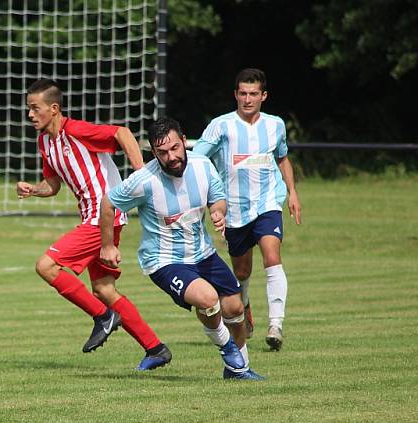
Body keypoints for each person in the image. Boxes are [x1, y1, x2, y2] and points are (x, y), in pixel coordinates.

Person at [16, 78, 172, 367]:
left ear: (53, 108)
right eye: (28, 109)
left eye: (35, 109)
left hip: (104, 217)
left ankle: (102, 316)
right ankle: (155, 348)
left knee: (46, 266)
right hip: (95, 219)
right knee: (104, 289)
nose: (30, 114)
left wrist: (140, 174)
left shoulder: (75, 130)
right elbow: (52, 184)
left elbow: (123, 134)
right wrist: (34, 190)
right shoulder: (45, 142)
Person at [99, 117, 264, 380]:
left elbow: (217, 198)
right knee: (208, 299)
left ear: (184, 141)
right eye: (162, 152)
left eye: (175, 148)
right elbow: (108, 204)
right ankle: (228, 350)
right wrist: (107, 246)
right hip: (164, 260)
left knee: (234, 308)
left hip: (203, 253)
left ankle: (238, 368)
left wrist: (217, 212)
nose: (171, 157)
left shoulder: (202, 165)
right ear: (154, 153)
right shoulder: (144, 180)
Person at [192, 68, 302, 351]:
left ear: (263, 96)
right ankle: (246, 304)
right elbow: (197, 158)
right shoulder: (221, 126)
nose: (248, 99)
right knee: (241, 272)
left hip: (267, 203)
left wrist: (292, 193)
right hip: (234, 209)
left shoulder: (275, 125)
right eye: (243, 93)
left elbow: (283, 159)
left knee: (272, 256)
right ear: (235, 95)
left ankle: (276, 324)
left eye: (254, 94)